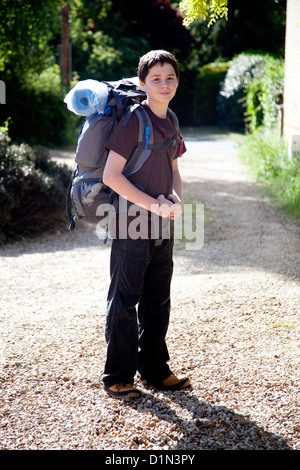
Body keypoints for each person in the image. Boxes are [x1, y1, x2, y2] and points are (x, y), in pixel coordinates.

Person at [102, 50, 190, 399]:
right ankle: (117, 376)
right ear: (143, 84)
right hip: (130, 222)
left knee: (158, 299)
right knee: (125, 299)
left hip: (162, 223)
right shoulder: (134, 121)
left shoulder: (172, 120)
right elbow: (111, 176)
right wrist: (154, 204)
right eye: (156, 79)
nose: (164, 84)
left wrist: (178, 201)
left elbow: (175, 170)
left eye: (170, 77)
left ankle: (154, 369)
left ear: (177, 82)